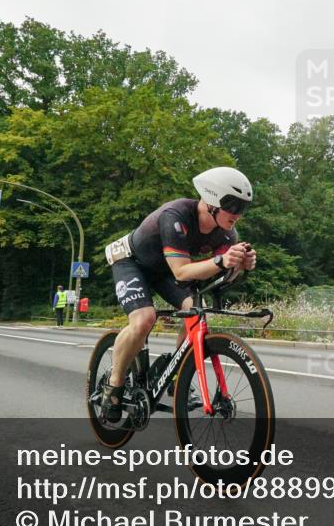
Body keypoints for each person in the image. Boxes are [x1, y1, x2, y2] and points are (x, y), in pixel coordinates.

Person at [100, 167, 257, 423]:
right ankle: (114, 385)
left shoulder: (227, 234)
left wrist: (240, 266)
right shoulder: (176, 216)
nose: (237, 214)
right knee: (143, 320)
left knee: (195, 309)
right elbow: (183, 272)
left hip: (166, 271)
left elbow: (219, 276)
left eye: (243, 208)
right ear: (211, 200)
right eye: (232, 205)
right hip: (133, 262)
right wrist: (222, 260)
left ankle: (177, 378)